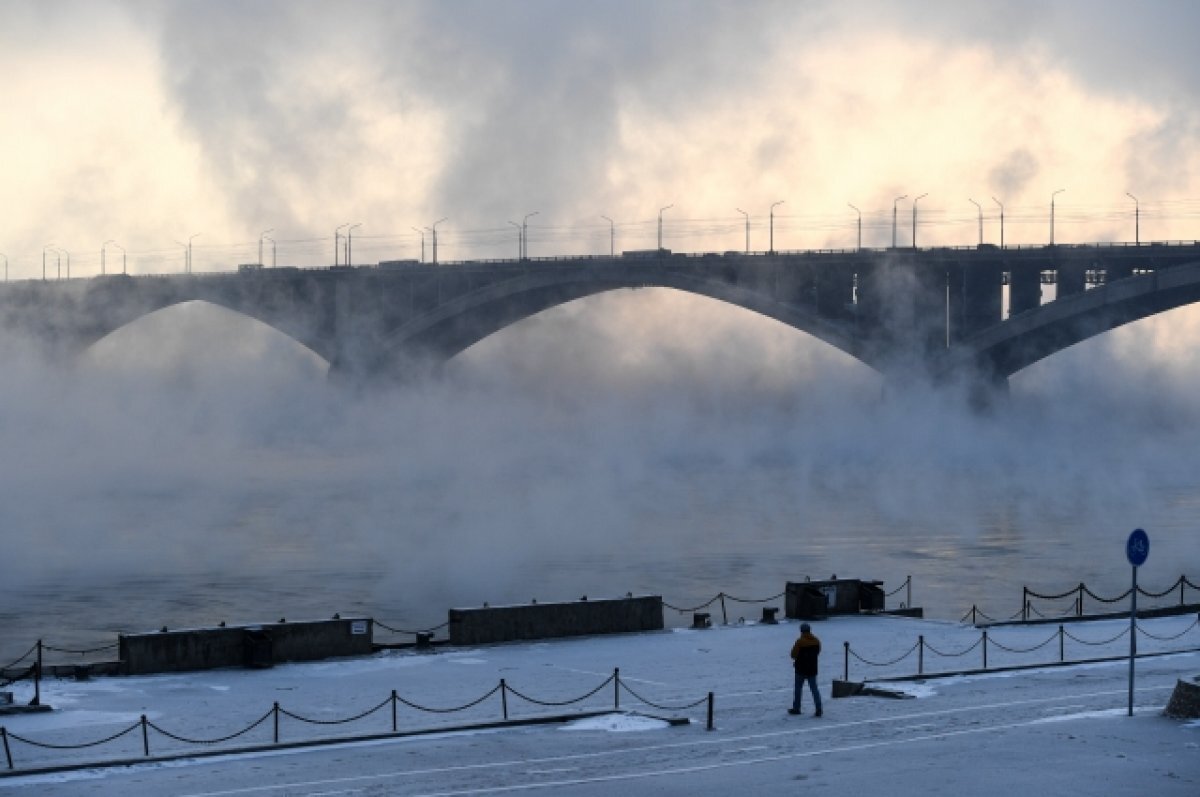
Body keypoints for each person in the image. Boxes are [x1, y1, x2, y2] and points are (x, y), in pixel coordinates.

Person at [789, 622, 822, 717]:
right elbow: (818, 651)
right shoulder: (816, 641)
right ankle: (819, 708)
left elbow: (793, 655)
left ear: (801, 631)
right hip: (812, 669)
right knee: (814, 689)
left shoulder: (800, 641)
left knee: (798, 689)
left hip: (801, 669)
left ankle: (796, 708)